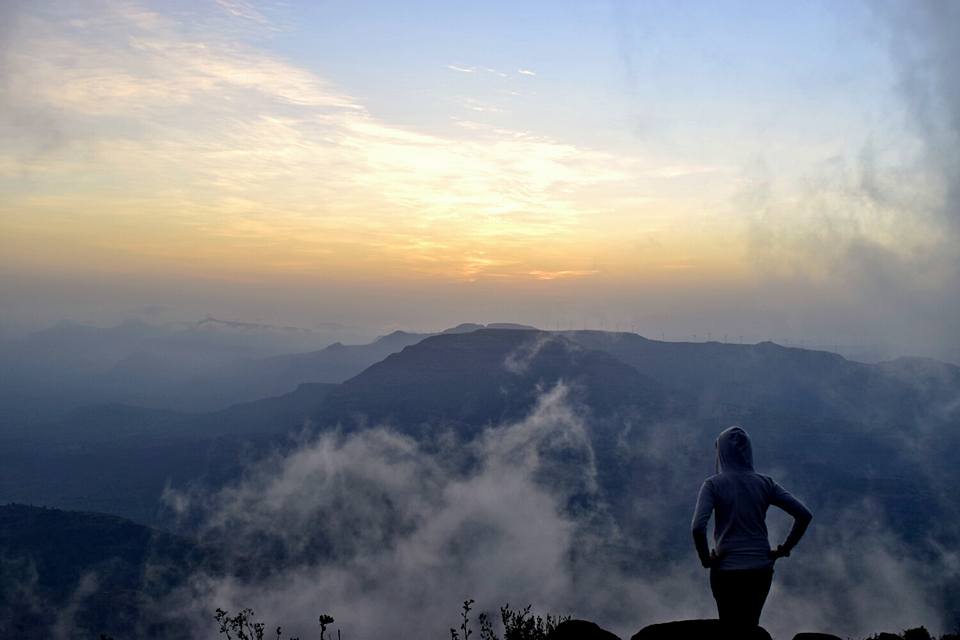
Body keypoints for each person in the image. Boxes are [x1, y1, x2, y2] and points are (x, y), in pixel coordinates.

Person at [691, 426, 812, 631]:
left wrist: (706, 560)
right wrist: (784, 549)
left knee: (730, 628)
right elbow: (804, 515)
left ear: (721, 452)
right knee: (750, 626)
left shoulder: (713, 484)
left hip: (726, 571)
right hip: (760, 570)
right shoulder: (765, 483)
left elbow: (697, 528)